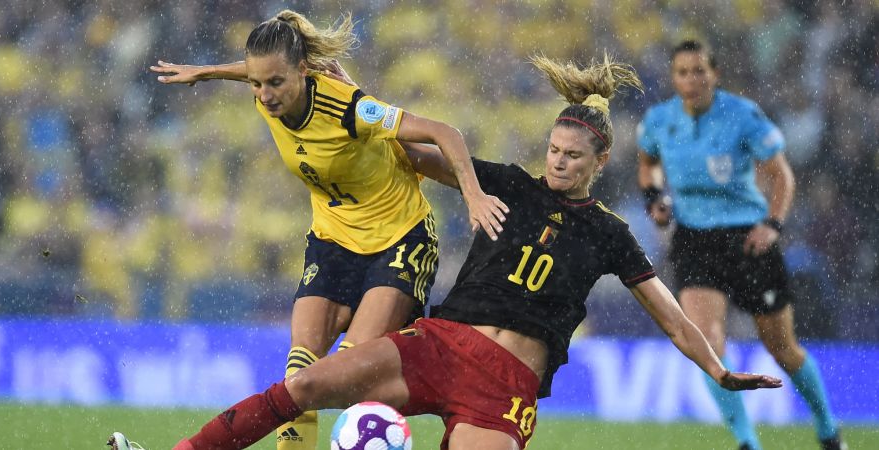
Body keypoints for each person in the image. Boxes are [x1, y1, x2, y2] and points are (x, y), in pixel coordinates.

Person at [112, 54, 783, 450]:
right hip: (438, 342)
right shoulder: (510, 184)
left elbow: (671, 316)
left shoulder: (610, 233)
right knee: (307, 384)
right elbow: (406, 148)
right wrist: (354, 95)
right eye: (552, 150)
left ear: (599, 161)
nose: (557, 163)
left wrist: (719, 370)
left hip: (505, 387)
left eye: (573, 157)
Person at [148, 10, 508, 450]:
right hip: (333, 239)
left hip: (399, 238)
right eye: (256, 84)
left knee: (348, 371)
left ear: (303, 70)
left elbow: (442, 132)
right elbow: (258, 70)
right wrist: (207, 73)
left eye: (275, 83)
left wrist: (473, 195)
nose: (264, 94)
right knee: (300, 369)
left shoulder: (349, 108)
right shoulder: (269, 90)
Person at [636, 39, 845, 450]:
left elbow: (781, 175)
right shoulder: (659, 121)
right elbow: (648, 166)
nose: (692, 79)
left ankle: (828, 430)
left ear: (715, 74)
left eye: (700, 71)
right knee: (708, 347)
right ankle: (747, 442)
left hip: (747, 238)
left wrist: (772, 225)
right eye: (683, 72)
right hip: (694, 240)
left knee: (783, 349)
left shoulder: (742, 115)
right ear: (673, 78)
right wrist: (655, 200)